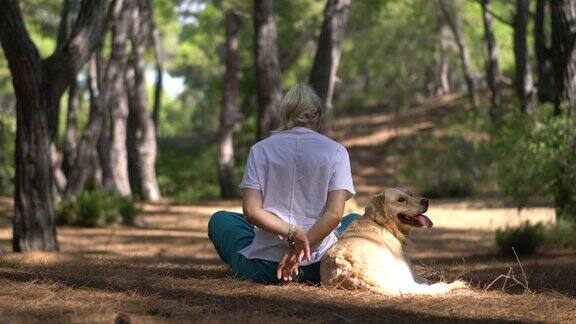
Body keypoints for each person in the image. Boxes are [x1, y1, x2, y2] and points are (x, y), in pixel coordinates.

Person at [208, 83, 358, 284]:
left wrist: (292, 234)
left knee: (220, 220)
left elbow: (252, 211)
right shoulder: (336, 152)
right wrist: (297, 247)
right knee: (356, 219)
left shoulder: (261, 150)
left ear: (285, 115)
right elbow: (334, 215)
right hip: (321, 266)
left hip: (264, 268)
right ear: (318, 116)